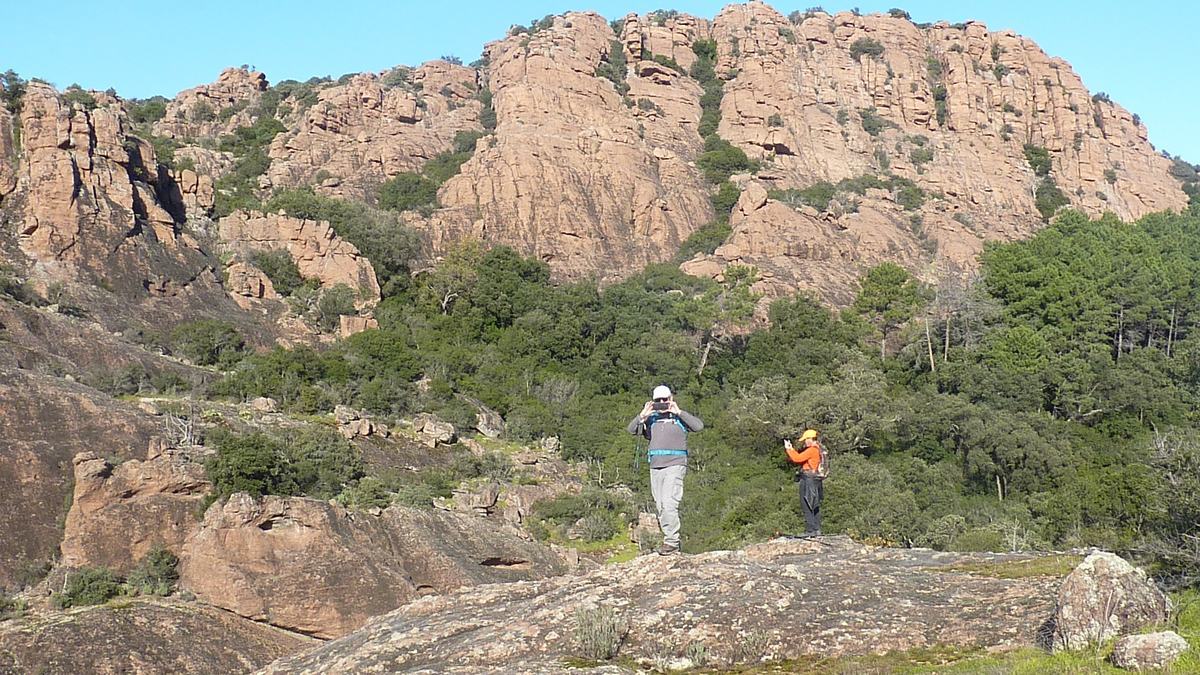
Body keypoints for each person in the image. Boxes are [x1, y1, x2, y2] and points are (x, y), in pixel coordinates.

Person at [627, 385, 703, 555]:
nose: (662, 403)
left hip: (675, 464)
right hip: (656, 466)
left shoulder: (679, 417)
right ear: (653, 402)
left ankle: (672, 542)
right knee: (660, 506)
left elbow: (698, 426)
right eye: (658, 401)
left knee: (670, 504)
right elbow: (631, 430)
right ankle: (669, 540)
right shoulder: (650, 419)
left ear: (671, 398)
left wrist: (679, 412)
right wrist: (642, 416)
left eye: (665, 399)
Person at [785, 429, 824, 537]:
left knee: (806, 503)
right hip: (816, 479)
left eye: (806, 440)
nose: (805, 442)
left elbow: (797, 458)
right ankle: (817, 529)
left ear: (810, 439)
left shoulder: (812, 450)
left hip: (808, 479)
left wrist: (789, 449)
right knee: (815, 504)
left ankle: (810, 530)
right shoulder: (820, 449)